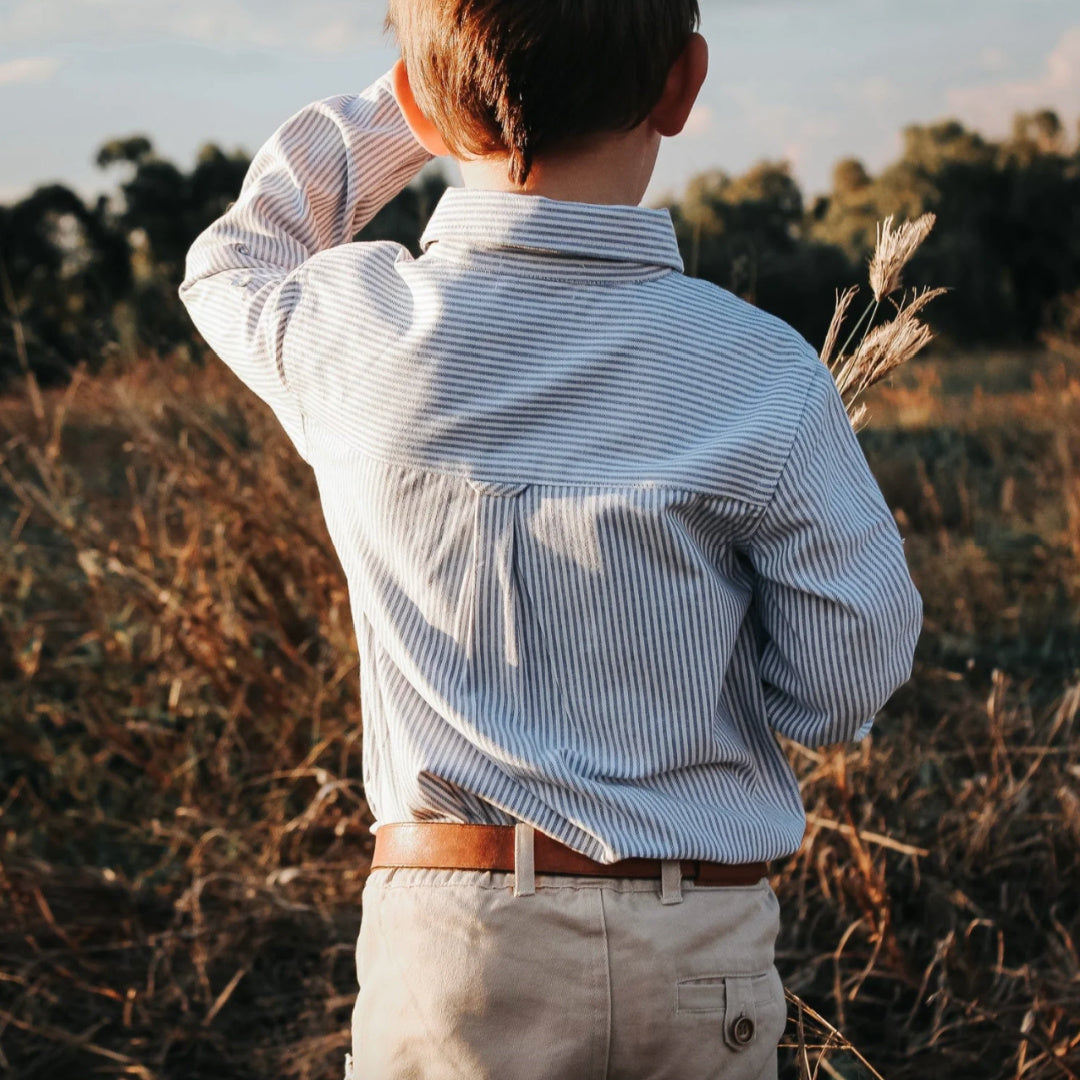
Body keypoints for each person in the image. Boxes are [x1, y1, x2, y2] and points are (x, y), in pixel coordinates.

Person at [179, 1, 923, 1076]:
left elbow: (235, 257)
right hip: (696, 941)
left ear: (431, 100)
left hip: (455, 946)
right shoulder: (762, 370)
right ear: (684, 84)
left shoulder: (353, 330)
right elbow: (848, 676)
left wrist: (400, 107)